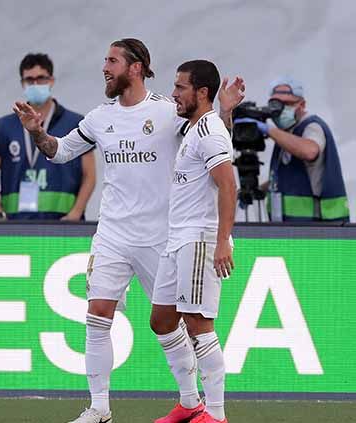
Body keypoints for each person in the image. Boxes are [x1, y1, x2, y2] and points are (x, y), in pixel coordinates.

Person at [13, 39, 244, 423]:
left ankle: (194, 402)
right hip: (113, 234)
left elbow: (213, 140)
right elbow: (59, 151)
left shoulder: (169, 111)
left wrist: (224, 110)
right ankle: (99, 407)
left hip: (163, 235)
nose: (105, 67)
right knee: (97, 314)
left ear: (135, 68)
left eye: (112, 61)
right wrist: (38, 133)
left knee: (171, 321)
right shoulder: (100, 118)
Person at [150, 60, 237, 423]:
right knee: (162, 320)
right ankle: (189, 402)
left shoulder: (209, 131)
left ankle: (215, 414)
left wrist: (221, 242)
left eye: (181, 87)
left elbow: (228, 186)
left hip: (199, 238)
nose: (174, 93)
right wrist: (227, 112)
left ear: (201, 92)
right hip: (177, 239)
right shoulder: (198, 128)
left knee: (199, 323)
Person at [0, 53, 96, 221]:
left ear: (51, 81)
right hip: (15, 226)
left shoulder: (75, 123)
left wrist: (75, 214)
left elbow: (90, 175)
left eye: (41, 78)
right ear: (22, 83)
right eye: (29, 80)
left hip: (64, 225)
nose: (35, 84)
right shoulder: (5, 126)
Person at [241, 77, 349, 221]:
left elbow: (310, 151)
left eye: (287, 104)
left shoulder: (312, 126)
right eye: (276, 104)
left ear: (302, 104)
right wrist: (258, 190)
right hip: (290, 226)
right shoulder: (286, 132)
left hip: (316, 227)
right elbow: (286, 177)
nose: (280, 110)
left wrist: (268, 129)